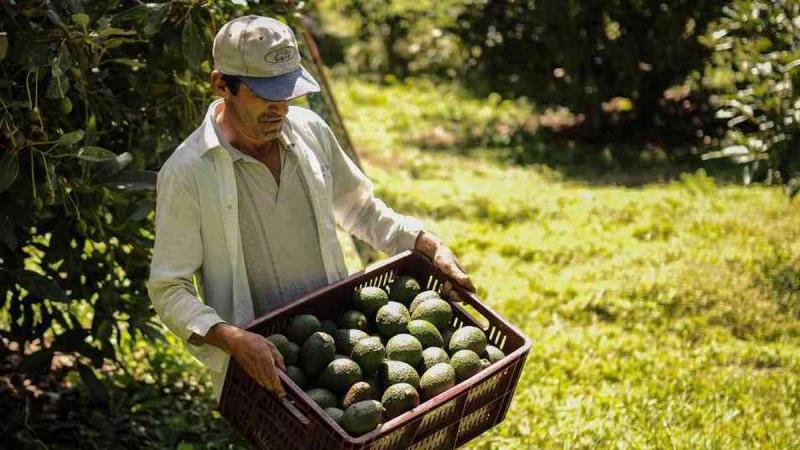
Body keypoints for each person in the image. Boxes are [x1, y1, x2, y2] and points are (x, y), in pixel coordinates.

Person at [147, 15, 475, 403]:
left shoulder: (310, 131)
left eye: (286, 94)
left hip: (335, 346)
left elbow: (362, 211)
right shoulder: (188, 172)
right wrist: (231, 338)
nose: (280, 110)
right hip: (265, 366)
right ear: (222, 84)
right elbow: (169, 288)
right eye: (266, 96)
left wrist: (424, 242)